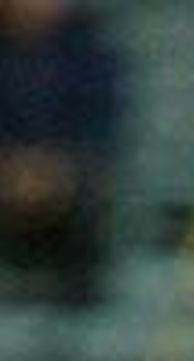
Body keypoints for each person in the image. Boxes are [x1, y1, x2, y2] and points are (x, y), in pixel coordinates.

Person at [0, 0, 127, 306]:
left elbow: (103, 123)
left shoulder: (93, 52)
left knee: (90, 194)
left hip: (71, 177)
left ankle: (79, 295)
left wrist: (56, 168)